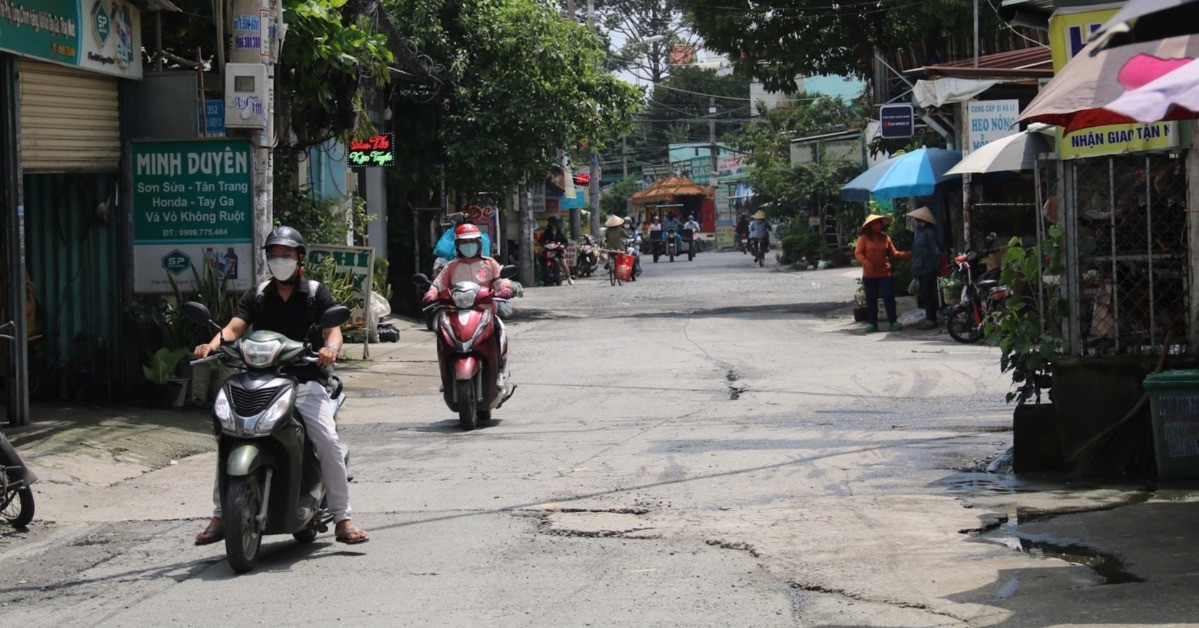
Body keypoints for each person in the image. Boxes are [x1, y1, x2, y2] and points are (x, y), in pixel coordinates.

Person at [193, 226, 368, 546]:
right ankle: (221, 513)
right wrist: (212, 343)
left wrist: (331, 349)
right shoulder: (258, 294)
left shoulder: (316, 292)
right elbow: (234, 327)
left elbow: (334, 331)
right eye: (273, 255)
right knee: (229, 436)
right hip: (259, 380)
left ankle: (343, 517)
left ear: (300, 258)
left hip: (305, 381)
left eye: (286, 255)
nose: (279, 261)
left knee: (326, 440)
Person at [422, 224, 514, 386]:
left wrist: (505, 289)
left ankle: (500, 369)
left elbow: (501, 280)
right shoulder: (451, 266)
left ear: (479, 243)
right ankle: (446, 374)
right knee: (442, 334)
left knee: (499, 330)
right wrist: (431, 294)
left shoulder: (489, 263)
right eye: (464, 243)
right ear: (457, 245)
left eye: (472, 241)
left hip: (485, 313)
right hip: (455, 314)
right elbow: (437, 285)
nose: (468, 246)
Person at [854, 214, 911, 333]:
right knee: (871, 299)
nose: (878, 225)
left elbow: (893, 253)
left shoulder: (886, 238)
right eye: (876, 223)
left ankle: (893, 322)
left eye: (880, 223)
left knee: (888, 296)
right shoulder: (863, 239)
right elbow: (858, 253)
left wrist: (907, 254)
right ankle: (872, 323)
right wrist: (866, 263)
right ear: (870, 225)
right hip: (869, 274)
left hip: (885, 273)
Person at [907, 207, 940, 330]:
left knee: (928, 294)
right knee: (925, 294)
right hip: (920, 268)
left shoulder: (930, 233)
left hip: (928, 268)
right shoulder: (919, 232)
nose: (917, 222)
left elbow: (935, 250)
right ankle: (929, 317)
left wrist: (935, 267)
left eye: (918, 220)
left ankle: (931, 319)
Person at [538, 217, 573, 285]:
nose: (552, 226)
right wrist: (542, 243)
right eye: (551, 224)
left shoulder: (561, 231)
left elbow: (565, 242)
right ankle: (544, 276)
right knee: (540, 255)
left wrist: (563, 246)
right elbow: (542, 239)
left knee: (563, 263)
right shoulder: (547, 231)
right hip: (549, 249)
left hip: (559, 249)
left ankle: (569, 278)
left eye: (554, 224)